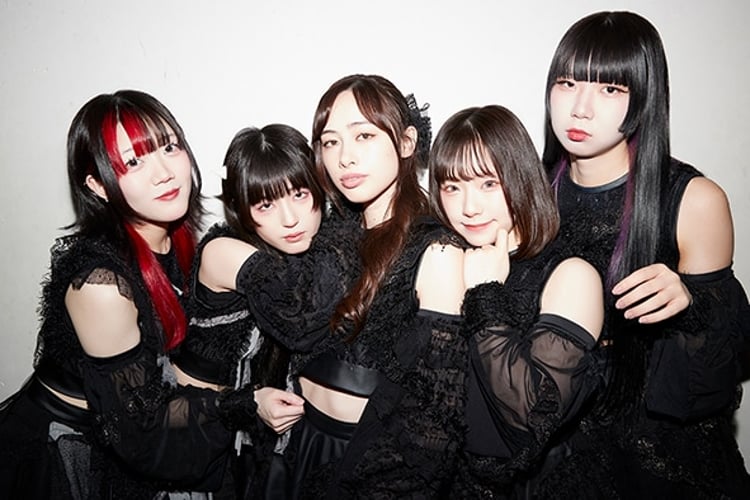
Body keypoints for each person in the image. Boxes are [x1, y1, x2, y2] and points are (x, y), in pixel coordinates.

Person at [0, 90, 259, 499]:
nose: (164, 173)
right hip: (67, 453)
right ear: (98, 186)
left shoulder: (177, 241)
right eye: (133, 162)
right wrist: (243, 405)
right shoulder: (101, 285)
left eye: (169, 147)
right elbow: (139, 429)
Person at [534, 11, 750, 498]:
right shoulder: (531, 193)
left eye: (610, 89)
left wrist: (693, 303)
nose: (580, 108)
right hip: (560, 456)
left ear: (645, 96)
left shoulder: (693, 200)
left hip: (662, 461)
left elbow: (725, 363)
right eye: (567, 83)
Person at [259, 73, 466, 498]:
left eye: (363, 136)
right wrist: (258, 398)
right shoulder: (325, 233)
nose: (345, 158)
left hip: (367, 466)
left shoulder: (437, 250)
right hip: (296, 445)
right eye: (330, 142)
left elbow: (434, 417)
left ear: (406, 142)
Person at [427, 104, 603, 497]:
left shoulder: (571, 273)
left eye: (488, 183)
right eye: (452, 187)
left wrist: (486, 293)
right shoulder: (446, 259)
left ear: (521, 178)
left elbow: (530, 418)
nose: (469, 207)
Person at [173, 124, 329, 498]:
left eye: (299, 194)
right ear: (242, 209)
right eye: (265, 205)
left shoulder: (293, 251)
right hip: (191, 430)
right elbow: (301, 321)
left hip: (244, 439)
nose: (290, 219)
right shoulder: (223, 252)